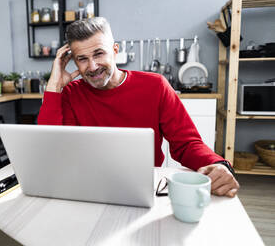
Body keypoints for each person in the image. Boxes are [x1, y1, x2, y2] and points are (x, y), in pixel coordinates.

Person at [38, 17, 239, 197]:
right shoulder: (71, 93)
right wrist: (54, 86)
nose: (92, 66)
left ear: (115, 51)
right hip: (88, 187)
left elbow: (186, 143)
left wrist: (218, 164)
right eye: (82, 59)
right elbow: (54, 150)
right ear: (73, 61)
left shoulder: (155, 86)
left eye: (99, 54)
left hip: (143, 190)